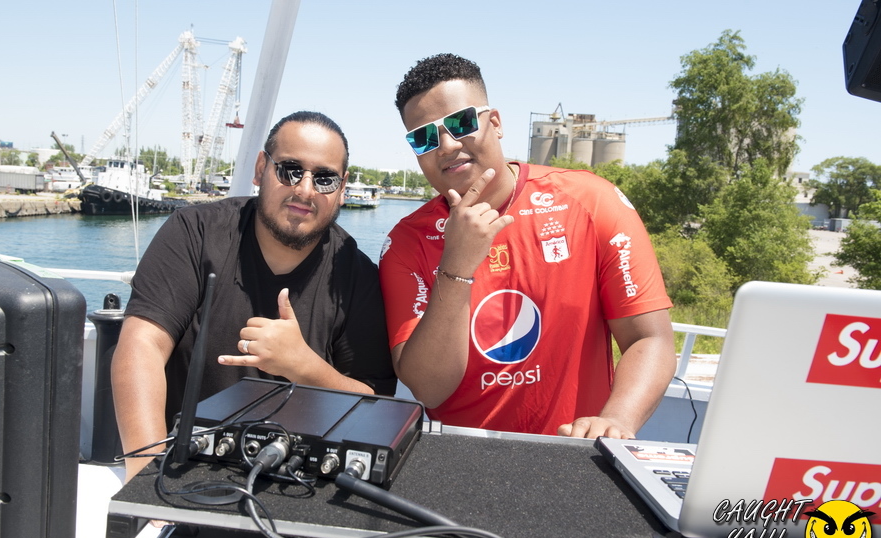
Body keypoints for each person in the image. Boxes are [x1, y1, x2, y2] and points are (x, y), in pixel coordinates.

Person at [379, 54, 676, 439]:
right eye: (424, 138)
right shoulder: (406, 242)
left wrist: (617, 420)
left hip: (575, 452)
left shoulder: (592, 202)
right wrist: (456, 266)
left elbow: (649, 337)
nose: (447, 145)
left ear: (495, 123)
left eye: (461, 122)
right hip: (460, 461)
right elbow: (429, 388)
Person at [113, 111, 397, 481]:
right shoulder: (195, 232)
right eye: (290, 170)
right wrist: (146, 478)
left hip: (298, 480)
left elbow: (375, 404)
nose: (305, 190)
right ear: (261, 168)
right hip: (183, 468)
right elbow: (142, 344)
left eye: (324, 178)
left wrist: (305, 368)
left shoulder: (357, 276)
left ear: (342, 187)